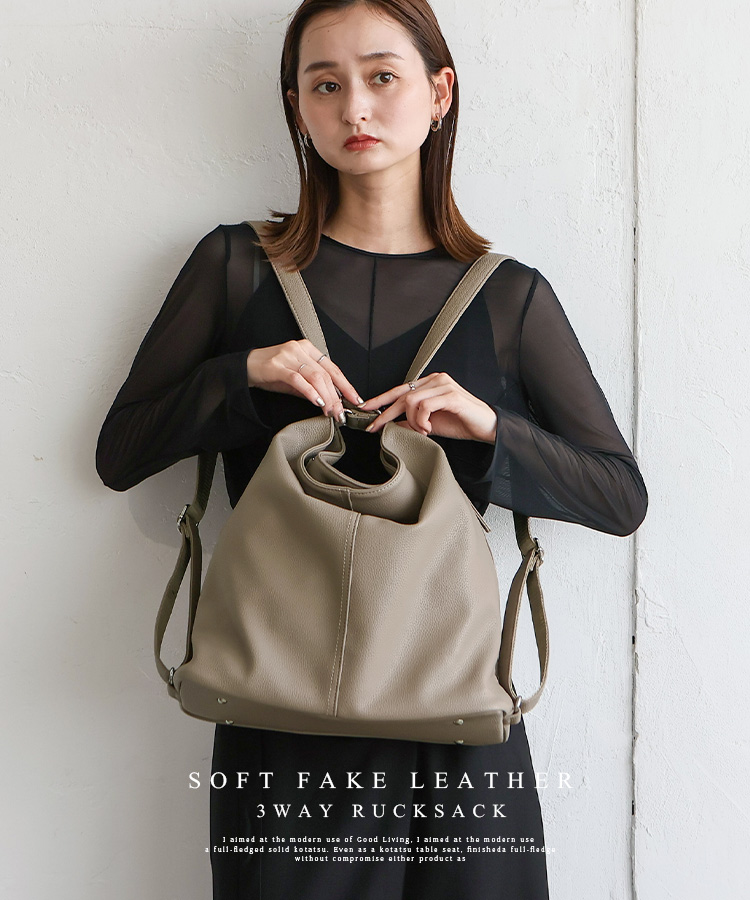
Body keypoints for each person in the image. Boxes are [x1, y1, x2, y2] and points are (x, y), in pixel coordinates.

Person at [95, 0, 648, 897]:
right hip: (282, 717)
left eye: (382, 77)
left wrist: (489, 428)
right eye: (325, 85)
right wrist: (244, 373)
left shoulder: (509, 299)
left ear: (439, 93)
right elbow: (121, 454)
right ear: (297, 108)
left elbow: (619, 499)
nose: (354, 107)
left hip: (457, 716)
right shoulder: (236, 267)